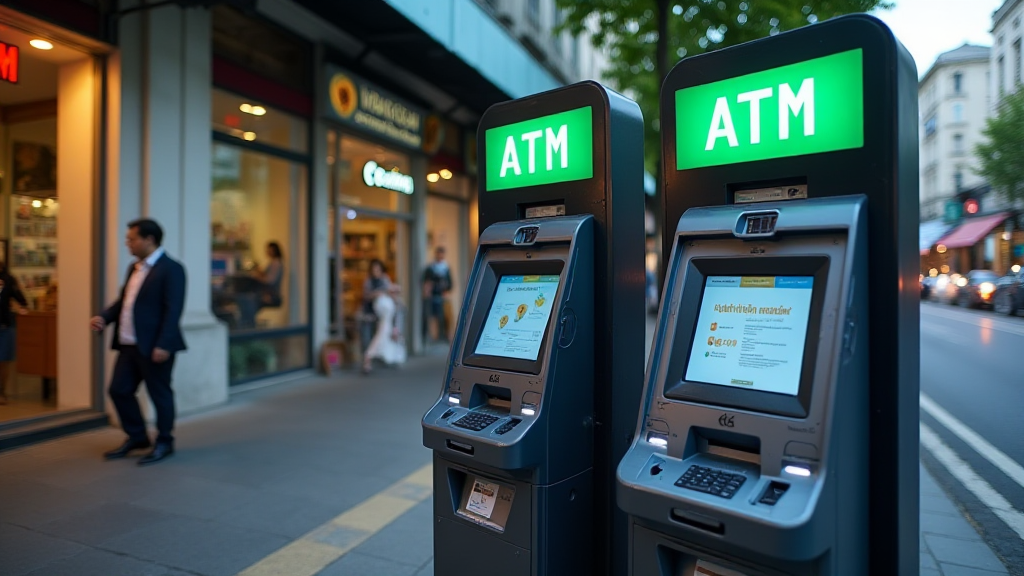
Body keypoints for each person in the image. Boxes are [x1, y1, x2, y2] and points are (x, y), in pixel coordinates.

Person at [90, 219, 187, 466]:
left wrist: (164, 344)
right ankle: (138, 437)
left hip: (154, 346)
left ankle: (165, 441)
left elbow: (173, 310)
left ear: (149, 240)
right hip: (128, 344)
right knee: (119, 390)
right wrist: (104, 317)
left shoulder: (171, 268)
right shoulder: (135, 268)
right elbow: (124, 302)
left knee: (159, 394)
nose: (127, 243)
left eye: (132, 239)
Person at [0, 263, 28, 405]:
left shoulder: (9, 280)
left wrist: (21, 307)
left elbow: (21, 299)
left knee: (3, 361)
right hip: (5, 325)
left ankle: (1, 392)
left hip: (5, 325)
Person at [363, 283, 407, 370]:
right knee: (377, 343)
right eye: (393, 292)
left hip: (391, 326)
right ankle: (367, 363)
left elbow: (400, 315)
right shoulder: (385, 301)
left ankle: (393, 359)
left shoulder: (396, 302)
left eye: (397, 292)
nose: (395, 294)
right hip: (385, 326)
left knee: (394, 343)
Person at [360, 259, 392, 374]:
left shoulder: (385, 279)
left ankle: (370, 359)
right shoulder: (368, 281)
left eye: (378, 269)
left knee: (380, 335)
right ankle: (368, 360)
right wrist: (376, 294)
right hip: (370, 312)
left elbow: (390, 291)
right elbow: (366, 296)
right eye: (374, 269)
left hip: (382, 314)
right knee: (368, 337)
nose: (376, 272)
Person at [423, 246, 453, 343]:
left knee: (445, 317)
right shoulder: (431, 268)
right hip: (433, 296)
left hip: (442, 296)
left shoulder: (446, 268)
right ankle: (433, 336)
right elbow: (426, 282)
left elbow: (450, 284)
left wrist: (446, 290)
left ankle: (444, 335)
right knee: (432, 317)